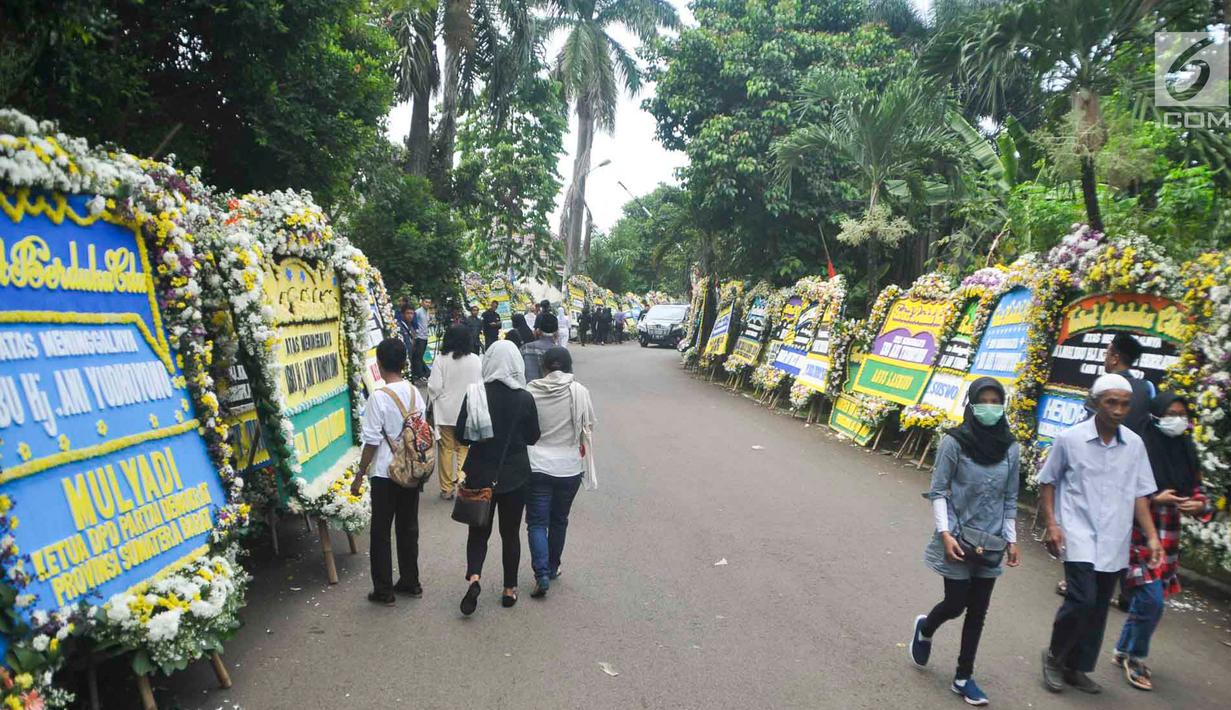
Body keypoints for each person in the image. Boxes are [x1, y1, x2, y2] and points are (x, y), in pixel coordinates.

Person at [1039, 373, 1162, 695]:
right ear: (1095, 403)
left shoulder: (1134, 444)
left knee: (1098, 608)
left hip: (1115, 539)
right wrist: (1052, 524)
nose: (1119, 410)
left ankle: (1076, 667)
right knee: (1082, 599)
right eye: (1111, 402)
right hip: (1077, 533)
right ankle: (1053, 657)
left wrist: (1151, 537)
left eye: (1125, 404)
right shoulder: (1071, 439)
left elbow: (1140, 494)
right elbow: (1048, 480)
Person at [909, 378, 1019, 707]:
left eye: (995, 401)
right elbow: (939, 490)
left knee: (978, 611)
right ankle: (926, 628)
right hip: (956, 537)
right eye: (982, 400)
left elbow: (1010, 498)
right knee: (956, 604)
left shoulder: (1011, 448)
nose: (989, 407)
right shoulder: (953, 443)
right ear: (971, 405)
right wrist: (944, 534)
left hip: (992, 540)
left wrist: (1012, 539)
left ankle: (963, 677)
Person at [1112, 392, 1212, 691]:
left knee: (1147, 602)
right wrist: (1156, 498)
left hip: (1168, 541)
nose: (1177, 421)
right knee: (1152, 602)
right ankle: (1136, 658)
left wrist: (1199, 504)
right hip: (1137, 539)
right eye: (1170, 414)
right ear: (1155, 417)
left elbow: (1198, 490)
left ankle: (1122, 649)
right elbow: (1121, 492)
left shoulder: (1185, 451)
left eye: (1182, 414)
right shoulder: (1138, 450)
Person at [1058, 333, 1157, 599]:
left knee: (1088, 526)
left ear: (1114, 356)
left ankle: (1078, 583)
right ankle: (1124, 589)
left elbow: (1088, 428)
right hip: (1126, 473)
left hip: (1098, 467)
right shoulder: (1147, 388)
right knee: (1119, 527)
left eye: (1107, 351)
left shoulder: (1105, 390)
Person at [455, 341, 541, 614]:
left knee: (478, 530)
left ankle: (475, 578)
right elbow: (532, 437)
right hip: (515, 475)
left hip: (480, 473)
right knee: (510, 533)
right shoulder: (525, 398)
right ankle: (509, 589)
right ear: (516, 364)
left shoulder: (476, 394)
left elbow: (461, 434)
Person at [350, 338, 424, 606]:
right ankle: (410, 581)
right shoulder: (416, 393)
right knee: (408, 527)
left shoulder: (379, 398)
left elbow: (371, 441)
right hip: (411, 471)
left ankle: (383, 590)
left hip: (384, 473)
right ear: (404, 362)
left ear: (379, 365)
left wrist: (359, 474)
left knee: (381, 531)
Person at [525, 347, 596, 599]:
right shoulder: (579, 392)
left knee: (536, 522)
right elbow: (588, 427)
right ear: (568, 367)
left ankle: (541, 574)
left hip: (536, 466)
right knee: (559, 519)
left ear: (543, 367)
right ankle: (553, 567)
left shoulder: (530, 391)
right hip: (569, 468)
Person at [428, 325, 483, 500]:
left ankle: (446, 489)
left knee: (446, 449)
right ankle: (461, 482)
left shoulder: (441, 359)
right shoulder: (475, 359)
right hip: (468, 411)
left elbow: (435, 387)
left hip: (446, 412)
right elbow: (480, 386)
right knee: (464, 448)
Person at [522, 313, 558, 382]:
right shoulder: (561, 352)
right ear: (556, 333)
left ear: (538, 331)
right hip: (552, 391)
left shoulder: (525, 348)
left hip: (529, 390)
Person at [411, 298, 433, 382]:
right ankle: (420, 375)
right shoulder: (418, 312)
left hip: (425, 337)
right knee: (418, 356)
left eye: (429, 302)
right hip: (419, 337)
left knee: (420, 356)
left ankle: (424, 373)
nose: (428, 304)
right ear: (422, 302)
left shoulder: (427, 312)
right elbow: (413, 323)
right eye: (426, 302)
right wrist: (415, 335)